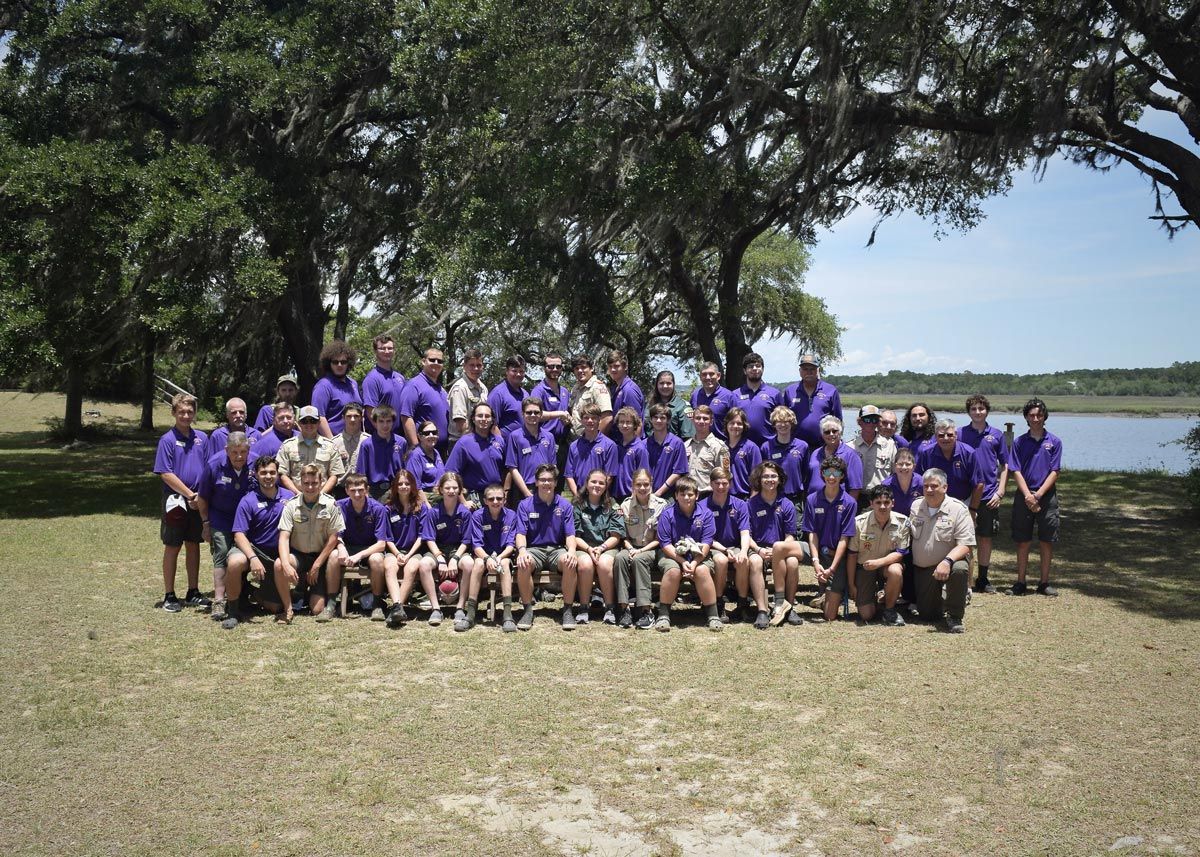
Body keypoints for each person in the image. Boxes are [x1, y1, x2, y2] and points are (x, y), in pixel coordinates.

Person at [153, 392, 210, 613]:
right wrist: (189, 494)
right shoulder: (167, 440)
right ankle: (169, 594)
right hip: (176, 500)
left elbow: (207, 468)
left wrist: (201, 495)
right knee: (173, 546)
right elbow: (165, 473)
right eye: (182, 412)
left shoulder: (202, 438)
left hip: (197, 500)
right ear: (174, 413)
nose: (186, 415)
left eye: (190, 411)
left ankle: (193, 591)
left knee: (193, 544)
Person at [222, 455, 295, 628]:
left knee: (275, 607)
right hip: (252, 550)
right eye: (263, 473)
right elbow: (239, 534)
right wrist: (253, 558)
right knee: (235, 562)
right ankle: (233, 610)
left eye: (272, 472)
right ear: (255, 474)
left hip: (277, 556)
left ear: (278, 474)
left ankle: (252, 592)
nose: (268, 477)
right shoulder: (248, 500)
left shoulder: (289, 497)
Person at [906, 467, 975, 633]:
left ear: (945, 488)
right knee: (928, 615)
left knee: (960, 570)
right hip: (924, 569)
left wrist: (947, 561)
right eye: (926, 486)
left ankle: (955, 615)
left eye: (934, 486)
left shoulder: (958, 509)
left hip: (949, 564)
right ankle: (946, 597)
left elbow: (966, 544)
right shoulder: (916, 506)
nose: (929, 490)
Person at [196, 431, 254, 622]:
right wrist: (205, 523)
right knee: (221, 554)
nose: (239, 457)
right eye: (234, 452)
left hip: (246, 521)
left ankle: (240, 595)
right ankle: (220, 600)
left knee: (240, 558)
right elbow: (202, 497)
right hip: (220, 519)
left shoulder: (255, 464)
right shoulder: (214, 465)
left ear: (248, 450)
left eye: (243, 452)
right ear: (226, 450)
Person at [275, 463, 345, 623]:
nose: (310, 487)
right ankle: (288, 608)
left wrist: (317, 565)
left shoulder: (330, 504)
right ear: (300, 482)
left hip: (320, 557)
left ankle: (304, 591)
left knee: (317, 609)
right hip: (299, 555)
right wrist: (286, 564)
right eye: (306, 483)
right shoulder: (291, 505)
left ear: (321, 483)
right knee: (279, 564)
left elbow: (333, 537)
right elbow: (284, 537)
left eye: (314, 483)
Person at [1007, 397, 1062, 597]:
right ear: (1026, 418)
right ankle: (1021, 582)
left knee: (1047, 540)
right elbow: (1015, 469)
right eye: (1032, 415)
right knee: (1022, 540)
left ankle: (1044, 583)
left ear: (1045, 416)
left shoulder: (1054, 442)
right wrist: (1028, 496)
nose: (1036, 418)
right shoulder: (1020, 442)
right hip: (1024, 495)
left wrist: (1038, 494)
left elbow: (1055, 471)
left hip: (1046, 497)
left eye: (1039, 415)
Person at [514, 464, 579, 630]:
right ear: (536, 482)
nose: (546, 483)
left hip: (557, 549)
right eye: (542, 480)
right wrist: (522, 551)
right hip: (534, 550)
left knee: (570, 561)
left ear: (556, 483)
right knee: (523, 563)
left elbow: (570, 534)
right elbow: (520, 533)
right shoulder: (525, 505)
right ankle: (528, 610)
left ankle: (567, 610)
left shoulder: (565, 505)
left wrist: (571, 551)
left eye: (550, 480)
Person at [654, 476, 722, 632]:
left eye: (690, 494)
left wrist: (694, 562)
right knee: (673, 571)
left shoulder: (706, 514)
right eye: (682, 494)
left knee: (703, 571)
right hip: (672, 556)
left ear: (697, 495)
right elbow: (665, 544)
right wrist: (682, 561)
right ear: (676, 496)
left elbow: (707, 543)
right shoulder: (667, 514)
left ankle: (713, 615)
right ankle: (663, 615)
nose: (686, 497)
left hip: (699, 557)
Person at [797, 454, 858, 624]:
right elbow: (812, 533)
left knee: (830, 616)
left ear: (842, 476)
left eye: (836, 473)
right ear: (822, 474)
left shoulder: (849, 502)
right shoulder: (812, 499)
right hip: (816, 550)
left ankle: (826, 598)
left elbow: (844, 539)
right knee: (781, 548)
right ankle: (782, 603)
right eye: (828, 472)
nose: (832, 477)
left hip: (835, 556)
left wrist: (831, 568)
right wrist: (816, 562)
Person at [706, 467, 767, 628]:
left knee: (743, 561)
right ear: (711, 484)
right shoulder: (703, 505)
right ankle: (718, 603)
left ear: (730, 484)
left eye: (724, 483)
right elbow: (706, 537)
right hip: (712, 546)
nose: (721, 487)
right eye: (717, 483)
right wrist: (724, 550)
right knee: (720, 561)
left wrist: (743, 551)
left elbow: (745, 532)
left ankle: (742, 603)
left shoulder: (740, 504)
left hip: (735, 545)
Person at [327, 473, 390, 621]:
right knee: (333, 556)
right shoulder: (339, 506)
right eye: (353, 490)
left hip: (370, 548)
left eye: (361, 490)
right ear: (347, 490)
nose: (357, 494)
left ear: (367, 490)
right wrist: (341, 547)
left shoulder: (378, 509)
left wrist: (359, 556)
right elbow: (336, 534)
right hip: (348, 546)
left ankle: (377, 604)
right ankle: (330, 603)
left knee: (376, 560)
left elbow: (381, 544)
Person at [962, 395, 1008, 594]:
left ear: (987, 411)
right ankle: (964, 579)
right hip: (966, 494)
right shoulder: (960, 433)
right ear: (969, 412)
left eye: (981, 408)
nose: (977, 412)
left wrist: (1001, 490)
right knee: (964, 537)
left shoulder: (996, 435)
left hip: (989, 494)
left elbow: (1005, 465)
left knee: (985, 537)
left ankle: (983, 578)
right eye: (973, 409)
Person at [747, 462, 801, 627]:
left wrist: (779, 550)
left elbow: (790, 536)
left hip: (781, 550)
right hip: (757, 549)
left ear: (779, 479)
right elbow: (746, 536)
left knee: (792, 562)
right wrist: (759, 550)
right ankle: (762, 611)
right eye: (765, 476)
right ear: (759, 479)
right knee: (755, 562)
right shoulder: (750, 504)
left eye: (773, 476)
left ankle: (788, 606)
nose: (769, 479)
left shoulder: (787, 504)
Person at [420, 470, 476, 626]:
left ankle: (460, 607)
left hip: (458, 549)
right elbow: (429, 538)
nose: (451, 491)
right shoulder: (433, 512)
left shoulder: (464, 513)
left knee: (469, 564)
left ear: (460, 490)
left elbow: (466, 540)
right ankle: (436, 609)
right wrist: (439, 558)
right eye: (447, 488)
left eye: (455, 488)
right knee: (424, 565)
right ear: (441, 490)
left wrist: (455, 559)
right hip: (438, 549)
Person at [847, 485, 909, 625]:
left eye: (886, 502)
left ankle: (889, 609)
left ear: (893, 503)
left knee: (896, 571)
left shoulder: (902, 522)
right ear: (871, 504)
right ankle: (879, 597)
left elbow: (900, 554)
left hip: (886, 566)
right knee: (866, 615)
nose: (882, 507)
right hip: (864, 568)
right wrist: (851, 585)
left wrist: (879, 562)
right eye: (878, 503)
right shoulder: (859, 523)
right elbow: (852, 555)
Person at [380, 469, 433, 627]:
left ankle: (397, 608)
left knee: (411, 568)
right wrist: (397, 554)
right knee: (389, 567)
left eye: (407, 483)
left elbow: (422, 536)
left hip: (415, 552)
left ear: (413, 486)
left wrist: (408, 555)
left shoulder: (421, 507)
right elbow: (386, 537)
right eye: (400, 483)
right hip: (394, 550)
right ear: (395, 487)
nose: (403, 486)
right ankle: (398, 607)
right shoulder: (388, 508)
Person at [616, 468, 667, 629]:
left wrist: (640, 551)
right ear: (633, 486)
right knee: (619, 558)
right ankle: (624, 609)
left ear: (651, 485)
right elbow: (623, 535)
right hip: (631, 546)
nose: (642, 488)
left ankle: (646, 611)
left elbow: (661, 538)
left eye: (646, 484)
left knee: (639, 559)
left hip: (652, 548)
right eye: (639, 484)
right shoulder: (625, 505)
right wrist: (631, 548)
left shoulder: (661, 505)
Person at [465, 483, 519, 632]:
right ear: (485, 501)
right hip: (484, 555)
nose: (495, 502)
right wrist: (487, 558)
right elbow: (476, 545)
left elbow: (510, 544)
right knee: (477, 565)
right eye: (491, 498)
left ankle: (507, 615)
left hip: (503, 555)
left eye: (499, 498)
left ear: (504, 500)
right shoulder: (477, 516)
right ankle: (470, 614)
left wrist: (499, 558)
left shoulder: (511, 516)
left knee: (506, 565)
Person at [571, 469, 622, 625]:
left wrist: (601, 548)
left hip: (607, 547)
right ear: (587, 484)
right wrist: (589, 549)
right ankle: (584, 608)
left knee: (605, 563)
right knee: (585, 564)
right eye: (594, 482)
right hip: (583, 547)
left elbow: (616, 535)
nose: (597, 485)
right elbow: (574, 535)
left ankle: (610, 608)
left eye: (601, 483)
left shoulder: (612, 504)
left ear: (606, 486)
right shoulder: (577, 504)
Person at [277, 405, 346, 496]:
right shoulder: (288, 446)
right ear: (298, 423)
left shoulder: (330, 446)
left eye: (313, 421)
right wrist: (297, 494)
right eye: (305, 421)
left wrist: (321, 494)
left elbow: (334, 475)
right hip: (295, 497)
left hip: (323, 497)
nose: (309, 424)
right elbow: (282, 474)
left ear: (319, 423)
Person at [445, 403, 506, 504]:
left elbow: (507, 469)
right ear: (473, 419)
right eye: (480, 416)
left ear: (492, 420)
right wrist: (463, 501)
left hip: (496, 497)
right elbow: (451, 474)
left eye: (487, 416)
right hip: (474, 497)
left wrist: (506, 491)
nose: (483, 419)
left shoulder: (499, 441)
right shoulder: (464, 442)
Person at [783, 353, 843, 449]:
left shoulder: (831, 390)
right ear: (800, 371)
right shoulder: (790, 391)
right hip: (795, 447)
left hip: (824, 446)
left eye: (812, 369)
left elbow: (838, 421)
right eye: (805, 369)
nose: (809, 372)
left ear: (818, 370)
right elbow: (783, 420)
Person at [505, 397, 558, 505]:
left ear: (541, 414)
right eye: (529, 412)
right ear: (523, 414)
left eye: (536, 412)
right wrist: (526, 493)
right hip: (524, 488)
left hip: (545, 487)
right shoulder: (515, 436)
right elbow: (513, 468)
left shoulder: (549, 437)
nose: (533, 415)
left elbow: (553, 467)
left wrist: (550, 489)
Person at [399, 346, 451, 453]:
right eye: (432, 360)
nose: (436, 363)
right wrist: (416, 448)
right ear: (423, 361)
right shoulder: (413, 386)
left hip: (440, 453)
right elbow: (406, 417)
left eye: (440, 361)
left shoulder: (441, 389)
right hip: (423, 452)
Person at [530, 353, 572, 480]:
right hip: (544, 444)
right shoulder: (538, 391)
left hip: (562, 445)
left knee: (558, 483)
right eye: (551, 366)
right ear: (544, 368)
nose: (555, 369)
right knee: (543, 481)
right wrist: (559, 414)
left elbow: (568, 413)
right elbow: (534, 414)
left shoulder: (565, 391)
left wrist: (567, 420)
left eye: (558, 367)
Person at [354, 404, 408, 500]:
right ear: (375, 422)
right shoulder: (367, 445)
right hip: (374, 492)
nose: (385, 425)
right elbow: (361, 473)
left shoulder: (401, 442)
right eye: (381, 421)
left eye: (388, 421)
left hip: (396, 489)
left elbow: (405, 469)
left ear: (393, 422)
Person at [565, 403, 618, 497]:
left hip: (600, 496)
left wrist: (595, 495)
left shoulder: (610, 445)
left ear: (599, 420)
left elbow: (609, 476)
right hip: (578, 497)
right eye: (586, 417)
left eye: (593, 418)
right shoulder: (574, 446)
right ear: (581, 420)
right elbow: (569, 475)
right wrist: (577, 495)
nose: (590, 421)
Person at [805, 415, 864, 500]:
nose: (831, 434)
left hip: (838, 505)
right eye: (827, 432)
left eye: (834, 431)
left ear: (840, 432)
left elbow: (855, 488)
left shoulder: (852, 455)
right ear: (822, 435)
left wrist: (846, 509)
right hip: (814, 504)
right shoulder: (815, 453)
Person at [312, 340, 362, 438]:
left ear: (349, 363)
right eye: (335, 362)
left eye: (343, 362)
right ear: (329, 364)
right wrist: (333, 443)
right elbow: (319, 416)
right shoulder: (323, 386)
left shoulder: (353, 384)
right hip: (333, 444)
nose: (339, 365)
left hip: (356, 441)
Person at [761, 406, 810, 506]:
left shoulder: (802, 446)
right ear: (774, 424)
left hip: (795, 500)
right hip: (772, 499)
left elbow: (805, 473)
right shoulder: (766, 447)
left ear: (792, 424)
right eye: (779, 421)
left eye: (786, 421)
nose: (783, 425)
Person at [735, 351, 783, 445]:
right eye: (750, 366)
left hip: (769, 446)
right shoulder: (735, 395)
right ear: (744, 371)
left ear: (762, 369)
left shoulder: (774, 394)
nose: (754, 369)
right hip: (743, 446)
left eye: (758, 366)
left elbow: (782, 420)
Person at [361, 334, 406, 433]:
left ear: (394, 351)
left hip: (400, 438)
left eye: (390, 348)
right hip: (381, 438)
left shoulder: (400, 378)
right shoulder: (372, 379)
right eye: (382, 348)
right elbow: (371, 412)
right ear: (375, 351)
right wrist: (385, 434)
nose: (386, 351)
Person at [851, 404, 897, 499]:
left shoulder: (890, 445)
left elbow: (895, 473)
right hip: (858, 496)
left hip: (882, 497)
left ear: (878, 423)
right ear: (859, 422)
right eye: (867, 420)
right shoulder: (850, 447)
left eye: (875, 420)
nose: (871, 423)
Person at [646, 402, 689, 498]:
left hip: (669, 497)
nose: (658, 420)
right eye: (655, 417)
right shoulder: (644, 444)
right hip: (645, 495)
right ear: (651, 420)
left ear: (668, 420)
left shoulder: (677, 443)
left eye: (662, 418)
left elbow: (678, 472)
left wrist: (658, 493)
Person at [447, 347, 488, 447]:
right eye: (472, 365)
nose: (476, 369)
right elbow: (461, 425)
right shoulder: (460, 388)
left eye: (479, 365)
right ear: (464, 366)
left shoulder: (483, 388)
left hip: (478, 439)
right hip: (460, 442)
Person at [685, 405, 728, 498]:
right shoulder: (686, 446)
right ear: (693, 420)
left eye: (705, 419)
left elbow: (725, 476)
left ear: (711, 422)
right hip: (686, 496)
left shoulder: (719, 447)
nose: (701, 421)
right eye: (698, 418)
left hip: (708, 497)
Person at [690, 361, 738, 442]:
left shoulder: (729, 396)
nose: (708, 377)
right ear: (700, 377)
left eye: (711, 374)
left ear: (718, 376)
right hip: (699, 445)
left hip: (722, 445)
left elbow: (736, 422)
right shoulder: (695, 395)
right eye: (704, 374)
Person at [202, 397, 260, 461]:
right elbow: (212, 462)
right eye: (234, 412)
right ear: (227, 415)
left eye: (241, 412)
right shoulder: (218, 436)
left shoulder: (256, 435)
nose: (238, 415)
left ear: (246, 415)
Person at [569, 354, 613, 437]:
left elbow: (607, 419)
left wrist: (594, 442)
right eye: (577, 368)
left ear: (591, 368)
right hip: (574, 441)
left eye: (583, 367)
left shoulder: (598, 387)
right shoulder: (575, 388)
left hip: (590, 443)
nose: (580, 371)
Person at [612, 406, 650, 501]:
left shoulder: (640, 448)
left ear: (635, 425)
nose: (624, 425)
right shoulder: (616, 446)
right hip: (615, 495)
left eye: (628, 422)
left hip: (632, 496)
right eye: (621, 422)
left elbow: (643, 475)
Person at [605, 350, 644, 441]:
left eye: (616, 366)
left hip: (627, 447)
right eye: (610, 367)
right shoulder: (618, 388)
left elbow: (637, 424)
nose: (613, 370)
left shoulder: (629, 390)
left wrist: (632, 450)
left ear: (625, 366)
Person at [724, 406, 762, 500]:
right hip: (724, 498)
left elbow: (757, 478)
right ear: (726, 425)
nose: (735, 426)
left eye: (739, 423)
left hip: (745, 498)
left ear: (744, 426)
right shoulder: (721, 447)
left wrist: (752, 501)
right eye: (732, 423)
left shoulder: (751, 448)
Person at [486, 354, 529, 437]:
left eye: (521, 371)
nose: (518, 374)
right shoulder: (498, 394)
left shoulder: (525, 394)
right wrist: (501, 445)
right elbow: (491, 425)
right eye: (514, 371)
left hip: (524, 446)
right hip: (506, 447)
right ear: (507, 371)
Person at [645, 370, 694, 440]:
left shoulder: (682, 406)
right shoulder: (648, 405)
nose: (665, 386)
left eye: (668, 383)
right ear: (657, 385)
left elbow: (688, 438)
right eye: (661, 383)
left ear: (673, 385)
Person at [332, 402, 367, 491]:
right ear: (343, 418)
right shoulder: (334, 443)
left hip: (362, 489)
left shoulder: (368, 441)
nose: (352, 419)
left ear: (362, 418)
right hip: (340, 490)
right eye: (349, 416)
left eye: (356, 416)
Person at [405, 419, 446, 492]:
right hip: (425, 497)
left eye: (434, 433)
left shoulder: (436, 452)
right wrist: (426, 503)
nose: (431, 436)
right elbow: (415, 487)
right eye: (427, 433)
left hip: (440, 494)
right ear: (420, 436)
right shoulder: (415, 456)